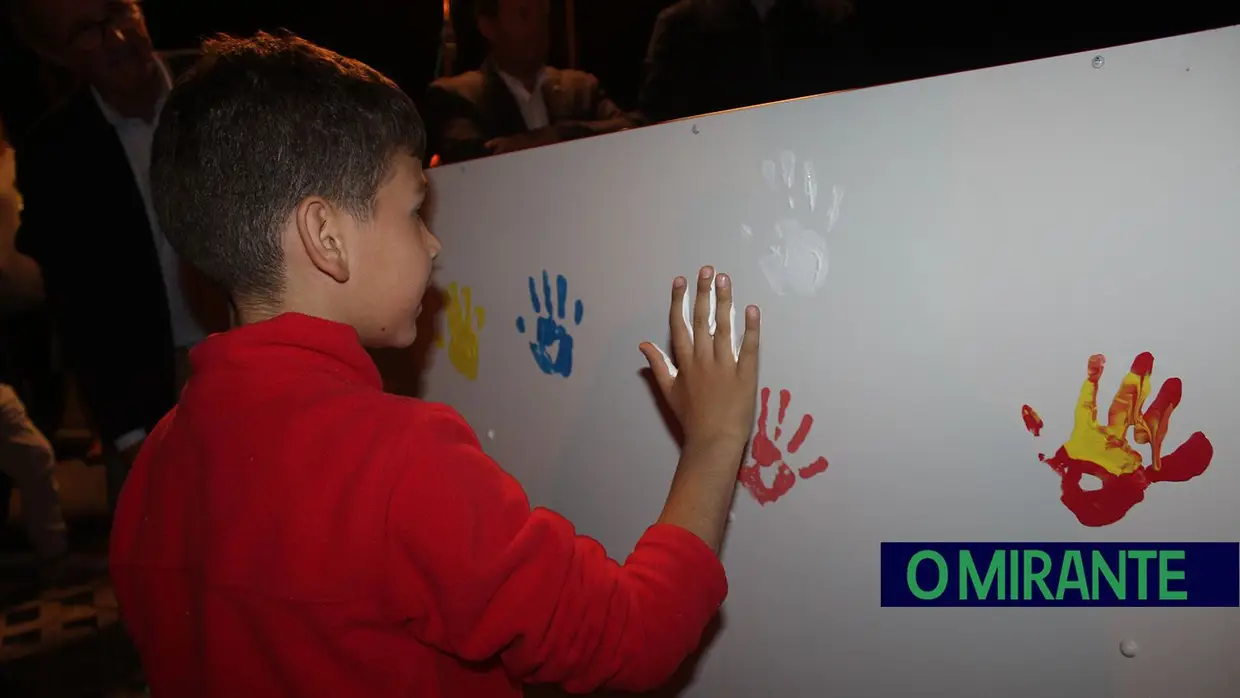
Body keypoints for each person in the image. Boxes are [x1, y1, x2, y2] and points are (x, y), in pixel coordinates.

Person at [109, 31, 762, 697]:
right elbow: (630, 639)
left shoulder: (154, 466)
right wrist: (713, 440)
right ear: (326, 237)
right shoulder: (400, 463)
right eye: (416, 209)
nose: (433, 242)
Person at [10, 0, 230, 510]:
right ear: (55, 53)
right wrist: (125, 433)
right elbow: (77, 304)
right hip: (148, 393)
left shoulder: (221, 87)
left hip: (250, 352)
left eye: (118, 11)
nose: (115, 37)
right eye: (86, 31)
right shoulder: (54, 152)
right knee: (165, 568)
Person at [425, 0, 638, 164]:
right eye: (524, 14)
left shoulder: (581, 88)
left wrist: (553, 136)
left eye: (542, 13)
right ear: (488, 26)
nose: (538, 26)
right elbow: (470, 159)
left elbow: (628, 128)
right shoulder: (458, 96)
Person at [640, 0, 868, 124]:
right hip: (713, 180)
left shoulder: (832, 17)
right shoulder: (681, 25)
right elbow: (657, 118)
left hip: (817, 174)